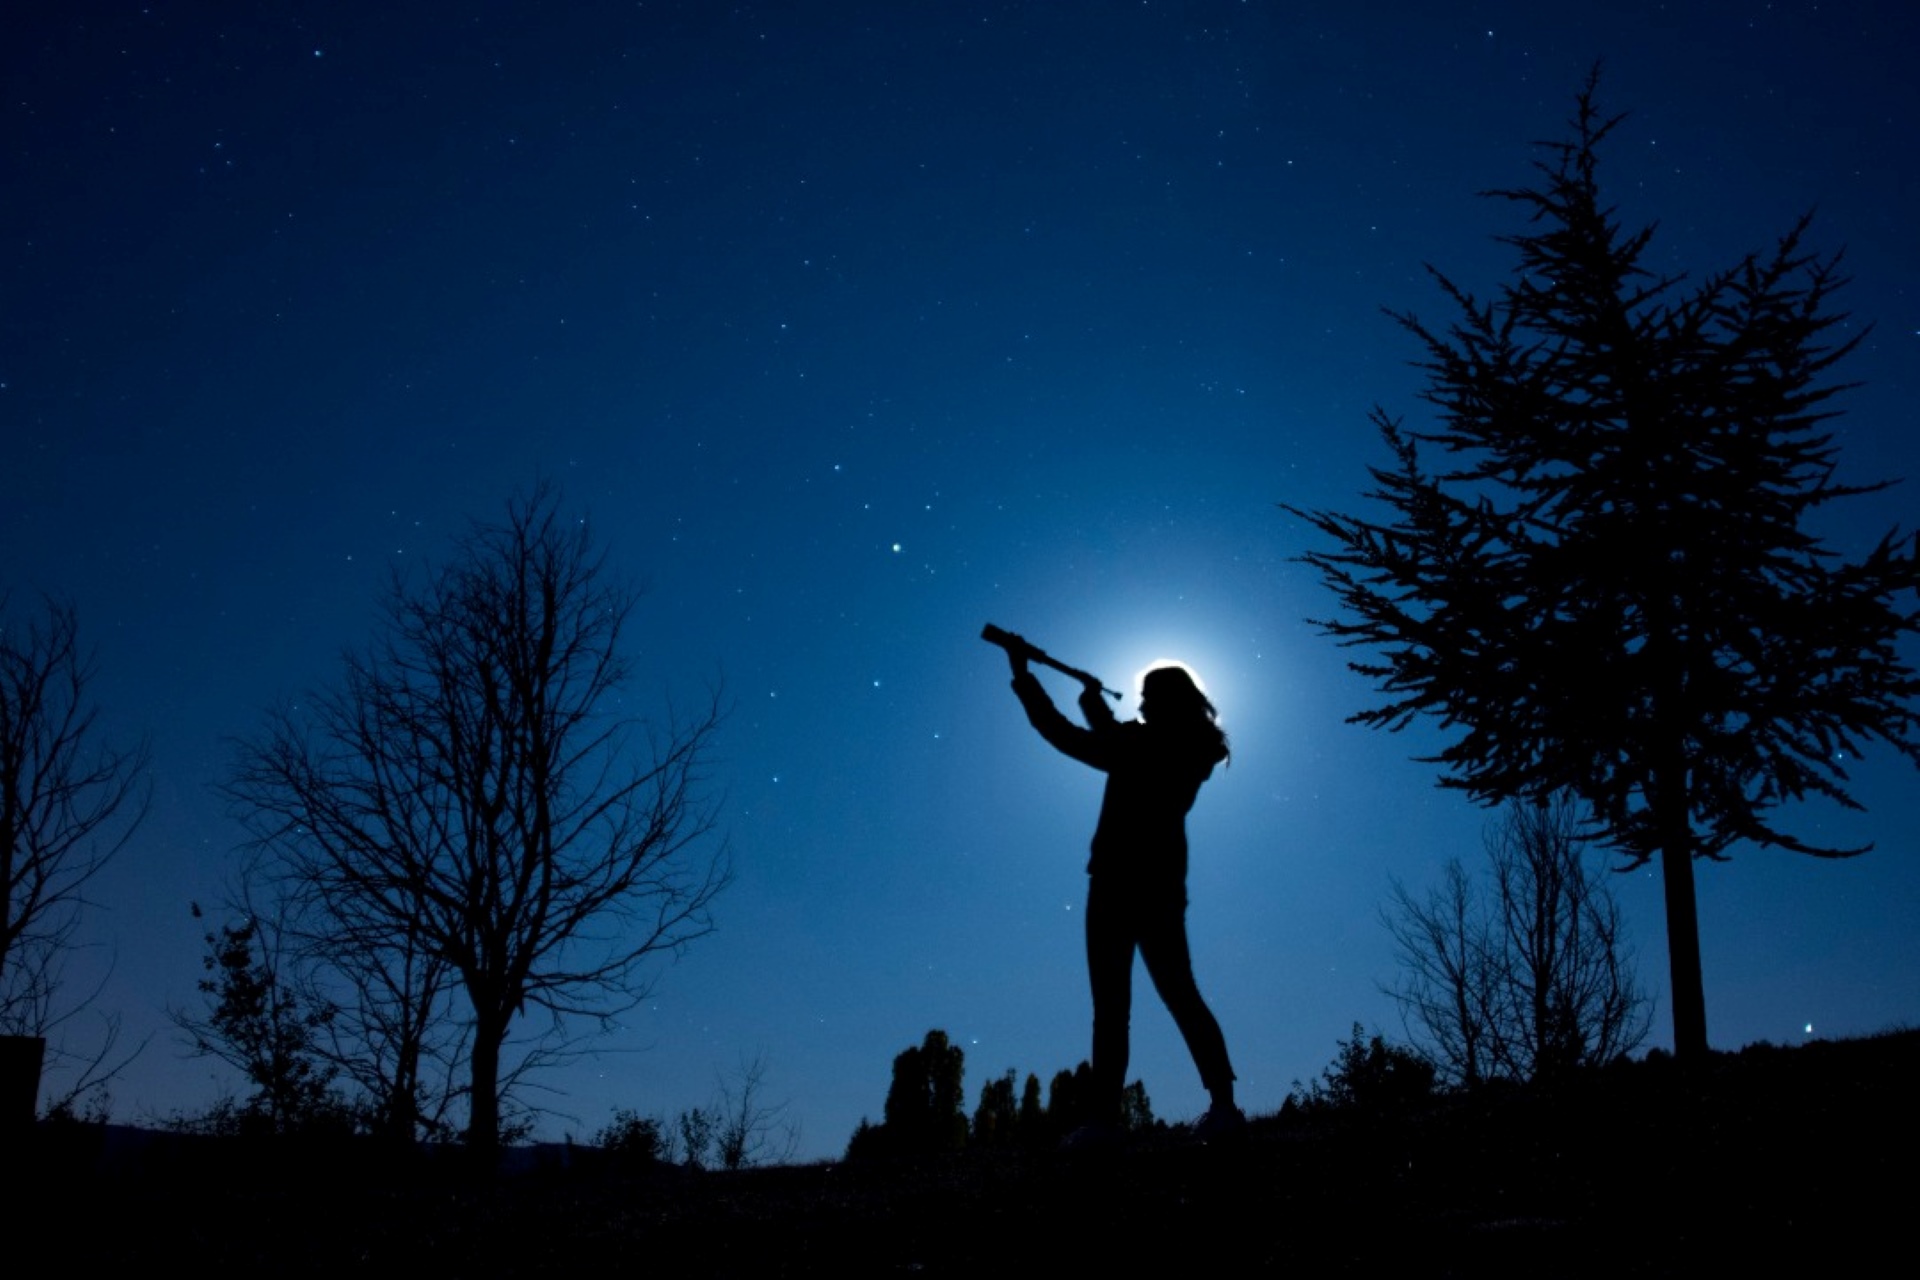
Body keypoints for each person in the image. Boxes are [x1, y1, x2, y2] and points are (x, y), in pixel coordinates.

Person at [1005, 644, 1242, 1141]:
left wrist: (1027, 678)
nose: (1141, 704)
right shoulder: (1191, 746)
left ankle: (1108, 1120)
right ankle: (1217, 1105)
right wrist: (1092, 704)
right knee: (1171, 996)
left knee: (1122, 1006)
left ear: (1164, 702)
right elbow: (1107, 739)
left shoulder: (1153, 747)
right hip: (1153, 886)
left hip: (1122, 885)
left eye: (1147, 697)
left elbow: (1069, 736)